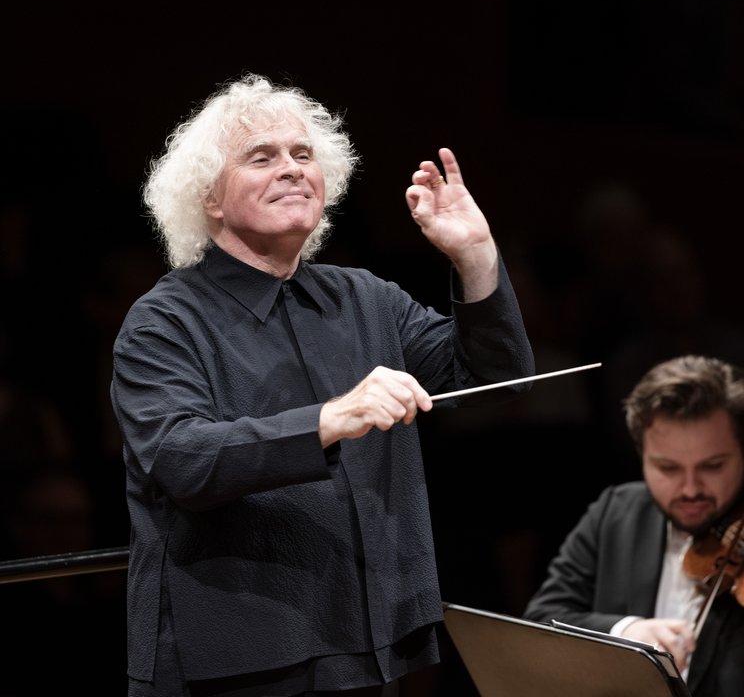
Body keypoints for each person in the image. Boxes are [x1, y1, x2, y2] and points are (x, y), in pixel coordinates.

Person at [110, 72, 535, 697]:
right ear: (210, 199)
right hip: (232, 659)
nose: (291, 169)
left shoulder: (365, 297)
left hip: (366, 644)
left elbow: (497, 381)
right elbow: (180, 459)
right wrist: (329, 419)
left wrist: (473, 255)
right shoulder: (164, 321)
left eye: (303, 155)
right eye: (262, 157)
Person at [523, 354, 744, 697]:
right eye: (668, 468)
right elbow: (542, 619)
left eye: (713, 466)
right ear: (641, 455)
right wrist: (626, 630)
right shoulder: (616, 512)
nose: (690, 488)